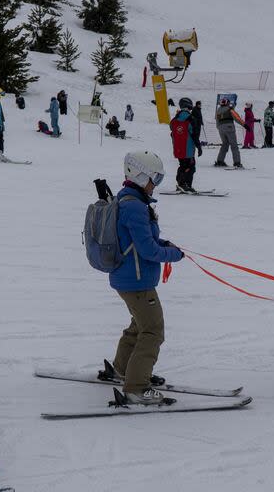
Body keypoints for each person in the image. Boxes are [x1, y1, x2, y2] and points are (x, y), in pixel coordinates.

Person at [106, 151, 185, 404]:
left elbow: (140, 240)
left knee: (140, 325)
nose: (156, 185)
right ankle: (137, 387)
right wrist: (173, 254)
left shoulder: (126, 200)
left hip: (128, 278)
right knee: (152, 331)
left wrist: (164, 243)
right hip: (136, 281)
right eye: (155, 179)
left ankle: (121, 368)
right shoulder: (135, 207)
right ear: (140, 176)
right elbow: (148, 250)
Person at [171, 97, 200, 192]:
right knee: (190, 166)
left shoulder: (174, 119)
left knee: (182, 165)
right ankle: (185, 184)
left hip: (178, 148)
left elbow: (172, 130)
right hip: (188, 148)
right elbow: (194, 134)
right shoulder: (190, 118)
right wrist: (199, 147)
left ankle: (181, 183)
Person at [214, 98, 245, 168]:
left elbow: (217, 121)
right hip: (229, 127)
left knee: (225, 144)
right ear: (227, 103)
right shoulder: (230, 109)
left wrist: (219, 128)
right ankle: (237, 162)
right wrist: (244, 125)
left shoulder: (218, 110)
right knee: (234, 145)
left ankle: (220, 160)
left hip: (221, 129)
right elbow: (237, 118)